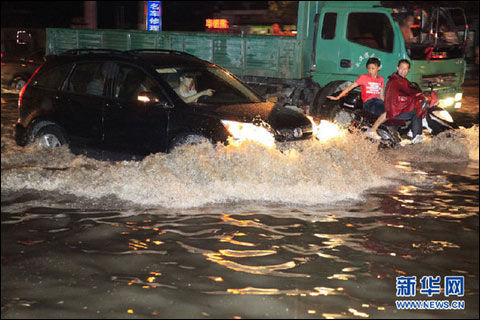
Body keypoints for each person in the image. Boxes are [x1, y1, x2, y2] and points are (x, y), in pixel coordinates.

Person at [327, 57, 385, 140]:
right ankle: (372, 130)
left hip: (378, 102)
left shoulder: (381, 79)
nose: (370, 71)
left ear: (378, 68)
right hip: (369, 103)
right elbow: (350, 87)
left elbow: (381, 93)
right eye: (369, 68)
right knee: (389, 111)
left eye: (373, 68)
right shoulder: (363, 77)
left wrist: (385, 102)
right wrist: (338, 97)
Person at [373, 59, 426, 144]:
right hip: (395, 111)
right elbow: (397, 98)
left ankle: (413, 132)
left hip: (400, 109)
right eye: (401, 68)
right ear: (397, 68)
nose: (403, 71)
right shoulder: (393, 81)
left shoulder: (404, 81)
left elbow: (411, 91)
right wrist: (411, 98)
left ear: (408, 70)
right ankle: (416, 137)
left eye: (406, 69)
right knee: (417, 112)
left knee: (419, 107)